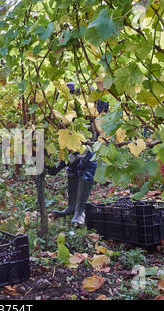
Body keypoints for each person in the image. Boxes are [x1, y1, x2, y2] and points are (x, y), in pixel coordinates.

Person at [48, 82, 108, 226]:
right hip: (75, 134)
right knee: (72, 167)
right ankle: (72, 206)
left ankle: (80, 211)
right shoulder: (63, 101)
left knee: (87, 166)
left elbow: (97, 128)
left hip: (91, 137)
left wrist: (87, 146)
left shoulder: (91, 99)